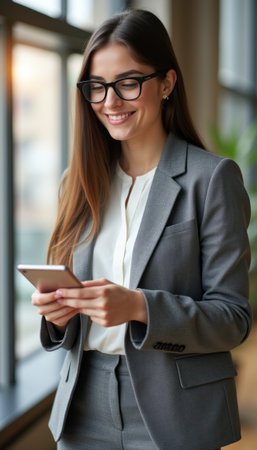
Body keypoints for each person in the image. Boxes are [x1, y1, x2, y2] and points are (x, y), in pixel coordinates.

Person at [32, 9, 252, 450]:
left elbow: (233, 319)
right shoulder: (76, 182)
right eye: (97, 87)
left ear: (167, 83)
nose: (110, 101)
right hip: (84, 403)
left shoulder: (210, 179)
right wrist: (55, 316)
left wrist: (138, 306)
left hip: (175, 409)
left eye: (127, 82)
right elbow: (71, 309)